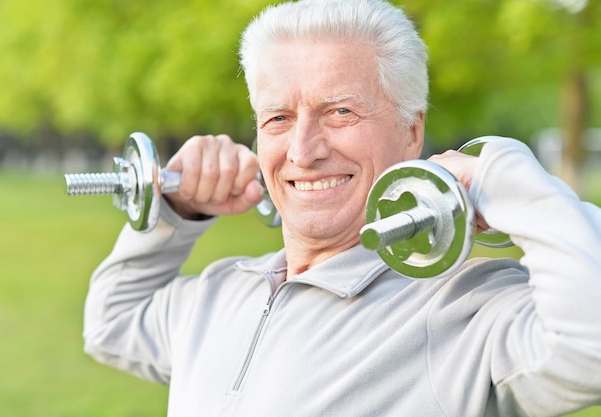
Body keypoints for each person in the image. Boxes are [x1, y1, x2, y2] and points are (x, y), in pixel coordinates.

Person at [82, 0, 601, 416]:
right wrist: (178, 208)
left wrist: (501, 175)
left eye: (341, 112)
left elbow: (590, 349)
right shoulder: (221, 293)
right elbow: (111, 322)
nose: (304, 152)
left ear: (411, 132)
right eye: (278, 118)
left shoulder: (461, 314)